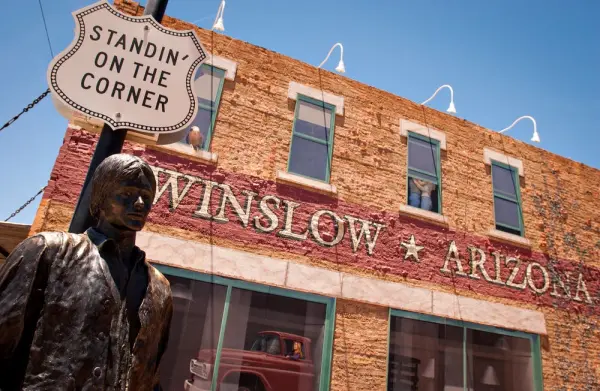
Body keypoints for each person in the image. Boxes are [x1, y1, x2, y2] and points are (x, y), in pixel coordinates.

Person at [0, 154, 173, 391]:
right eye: (128, 193)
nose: (141, 203)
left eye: (147, 196)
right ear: (101, 196)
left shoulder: (159, 288)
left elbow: (150, 374)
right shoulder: (47, 252)